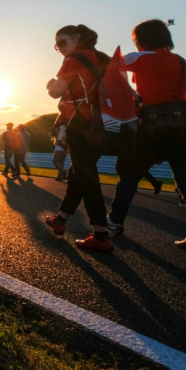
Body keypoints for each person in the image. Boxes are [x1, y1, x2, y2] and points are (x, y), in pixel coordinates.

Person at [108, 19, 186, 251]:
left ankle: (114, 222)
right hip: (182, 129)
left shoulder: (139, 57)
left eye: (134, 40)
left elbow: (108, 69)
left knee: (129, 176)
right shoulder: (181, 61)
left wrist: (131, 94)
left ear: (141, 39)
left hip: (151, 129)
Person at [43, 24, 113, 252]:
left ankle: (101, 234)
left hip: (81, 122)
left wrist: (52, 85)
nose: (60, 48)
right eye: (57, 46)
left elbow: (56, 92)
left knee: (87, 176)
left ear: (77, 38)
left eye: (62, 42)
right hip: (105, 123)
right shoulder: (103, 58)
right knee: (79, 173)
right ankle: (60, 220)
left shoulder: (73, 60)